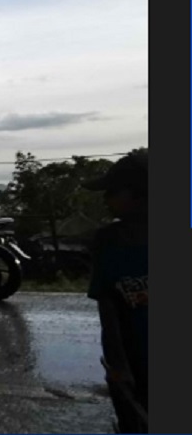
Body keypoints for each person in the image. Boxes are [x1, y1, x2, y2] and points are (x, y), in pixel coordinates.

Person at [83, 149, 148, 434]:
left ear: (137, 193)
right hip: (134, 364)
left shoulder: (111, 241)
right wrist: (118, 363)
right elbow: (108, 307)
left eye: (112, 191)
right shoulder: (109, 241)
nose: (105, 198)